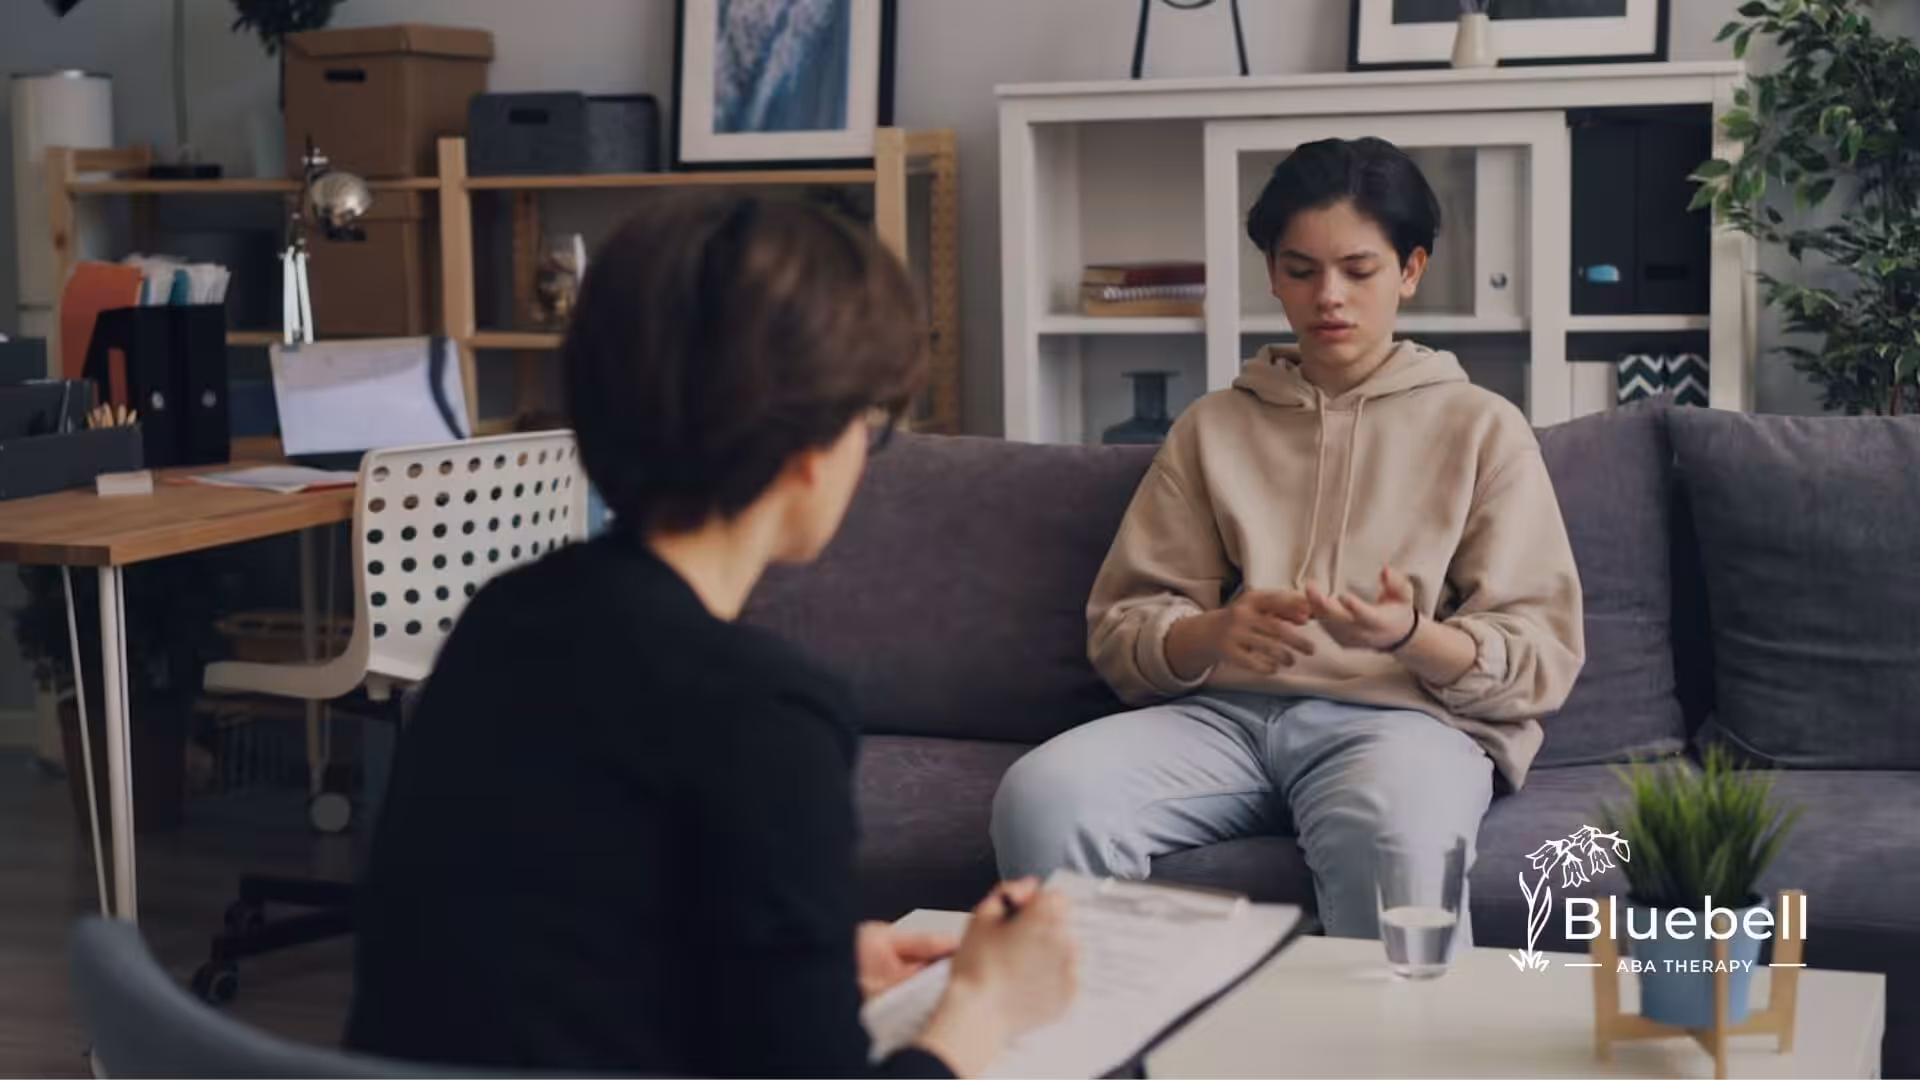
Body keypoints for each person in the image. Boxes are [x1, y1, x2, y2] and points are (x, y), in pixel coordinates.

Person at [345, 191, 1078, 1078]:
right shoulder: (764, 710)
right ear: (806, 454)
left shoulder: (507, 615)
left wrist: (808, 966)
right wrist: (984, 1006)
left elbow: (534, 953)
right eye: (871, 427)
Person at [990, 137, 1585, 947]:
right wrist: (1207, 633)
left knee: (1399, 839)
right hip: (1223, 720)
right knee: (1043, 794)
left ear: (1410, 270)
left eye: (1359, 269)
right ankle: (1099, 1053)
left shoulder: (1482, 427)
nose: (1327, 297)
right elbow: (1125, 621)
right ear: (1271, 274)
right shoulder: (1214, 426)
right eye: (1300, 270)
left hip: (1402, 725)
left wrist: (1411, 636)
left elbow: (1540, 656)